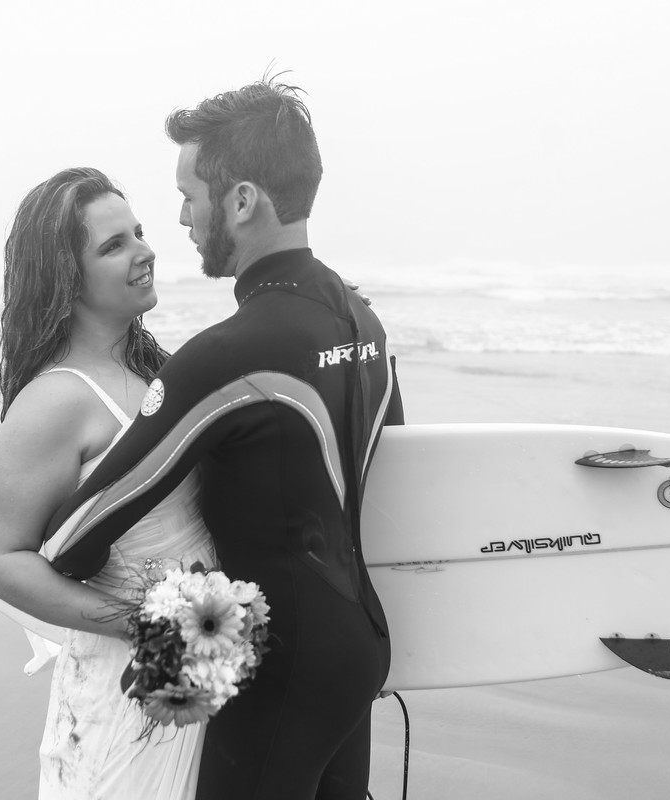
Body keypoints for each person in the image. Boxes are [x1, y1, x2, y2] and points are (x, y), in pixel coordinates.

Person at [43, 78, 405, 799]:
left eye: (189, 195)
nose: (180, 216)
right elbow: (389, 458)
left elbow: (75, 539)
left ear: (241, 201)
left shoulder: (229, 356)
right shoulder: (362, 322)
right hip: (358, 649)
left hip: (282, 673)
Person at [0, 167, 214, 799]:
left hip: (195, 672)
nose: (145, 250)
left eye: (138, 232)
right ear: (66, 279)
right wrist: (139, 623)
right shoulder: (56, 401)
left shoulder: (161, 372)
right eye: (114, 245)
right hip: (122, 686)